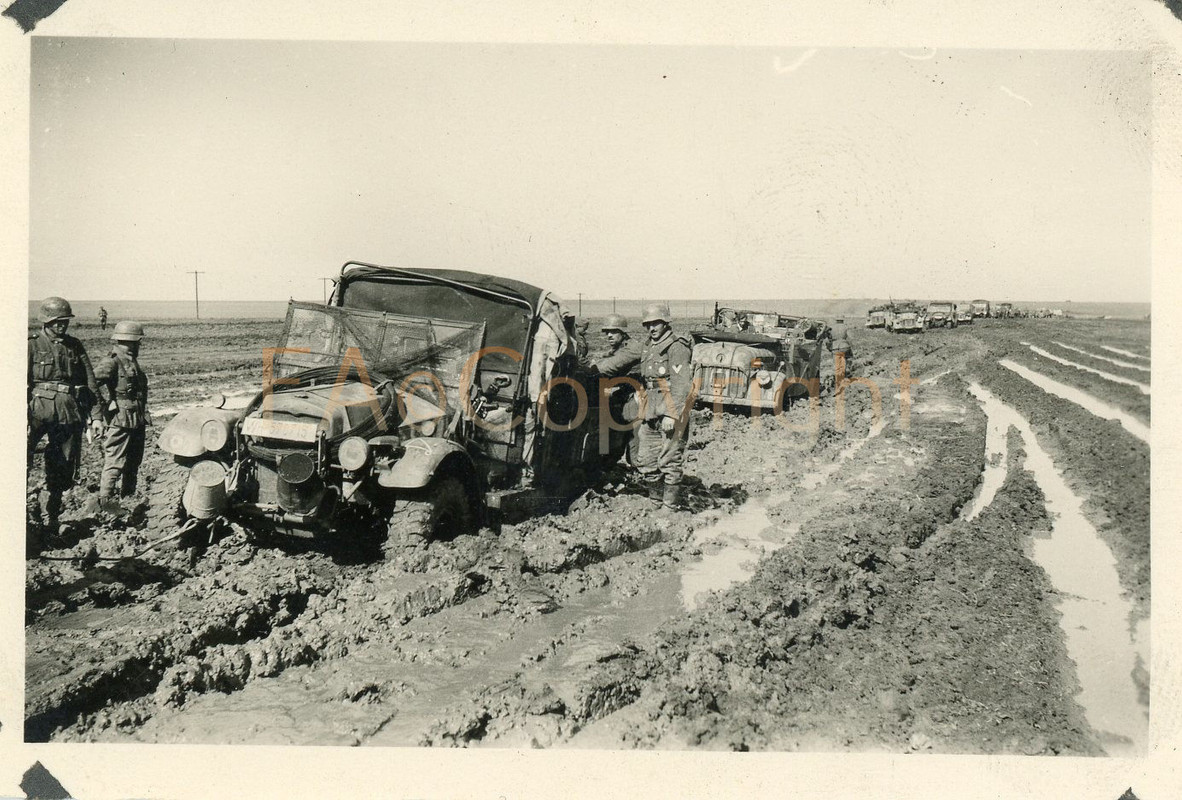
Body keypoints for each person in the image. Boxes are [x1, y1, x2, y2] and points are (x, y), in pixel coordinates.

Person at [28, 296, 99, 534]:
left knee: (61, 466)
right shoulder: (31, 344)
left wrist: (96, 416)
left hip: (68, 412)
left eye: (65, 321)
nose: (62, 326)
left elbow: (90, 382)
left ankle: (51, 519)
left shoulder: (74, 345)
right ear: (46, 321)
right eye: (57, 321)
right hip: (36, 411)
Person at [635, 303, 694, 510]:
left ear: (666, 322)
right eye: (648, 324)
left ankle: (669, 507)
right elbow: (647, 377)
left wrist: (672, 414)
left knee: (670, 459)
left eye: (656, 323)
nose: (652, 328)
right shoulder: (648, 346)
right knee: (646, 458)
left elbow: (682, 384)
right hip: (650, 409)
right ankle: (655, 501)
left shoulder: (676, 347)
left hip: (670, 409)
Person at [93, 321, 150, 512]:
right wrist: (104, 406)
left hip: (137, 418)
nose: (133, 346)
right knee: (115, 461)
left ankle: (128, 498)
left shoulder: (131, 359)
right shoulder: (111, 362)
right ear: (117, 342)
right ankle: (105, 502)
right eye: (128, 343)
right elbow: (90, 386)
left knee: (134, 461)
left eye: (135, 342)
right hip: (120, 419)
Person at [588, 314, 643, 466]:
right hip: (623, 396)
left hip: (635, 398)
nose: (609, 335)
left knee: (634, 437)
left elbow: (608, 367)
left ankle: (639, 471)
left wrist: (589, 369)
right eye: (607, 332)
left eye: (613, 332)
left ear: (623, 332)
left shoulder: (633, 348)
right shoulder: (618, 348)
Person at [826, 316, 855, 393]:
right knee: (845, 361)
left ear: (836, 320)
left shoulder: (831, 328)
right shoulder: (845, 327)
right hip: (844, 346)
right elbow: (850, 338)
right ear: (842, 320)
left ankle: (838, 382)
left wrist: (829, 347)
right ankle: (844, 377)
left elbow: (829, 339)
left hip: (835, 348)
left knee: (837, 366)